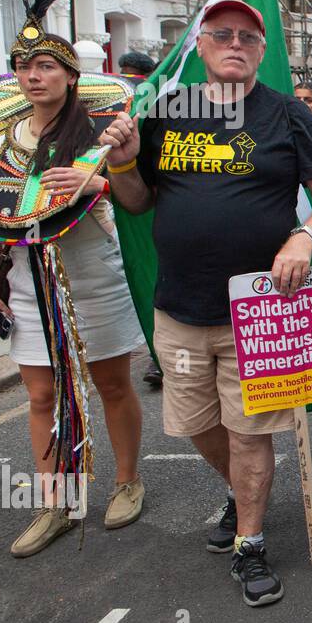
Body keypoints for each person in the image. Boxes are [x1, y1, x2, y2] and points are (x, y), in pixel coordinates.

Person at [100, 0, 312, 608]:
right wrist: (124, 162)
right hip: (178, 308)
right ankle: (243, 492)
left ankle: (251, 543)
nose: (235, 43)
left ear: (261, 51)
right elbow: (135, 201)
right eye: (222, 35)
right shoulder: (166, 113)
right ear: (201, 46)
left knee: (249, 432)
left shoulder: (287, 115)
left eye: (247, 37)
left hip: (259, 311)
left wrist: (304, 234)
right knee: (196, 427)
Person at [0, 0, 146, 557]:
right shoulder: (1, 137)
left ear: (70, 76)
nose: (33, 75)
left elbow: (133, 197)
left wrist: (92, 185)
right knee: (38, 393)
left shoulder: (100, 131)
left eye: (46, 66)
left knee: (110, 382)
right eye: (25, 66)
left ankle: (127, 481)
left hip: (94, 274)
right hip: (28, 280)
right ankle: (54, 502)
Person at [116, 52, 166, 391]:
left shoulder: (164, 109)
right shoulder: (116, 117)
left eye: (136, 78)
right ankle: (160, 353)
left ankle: (161, 354)